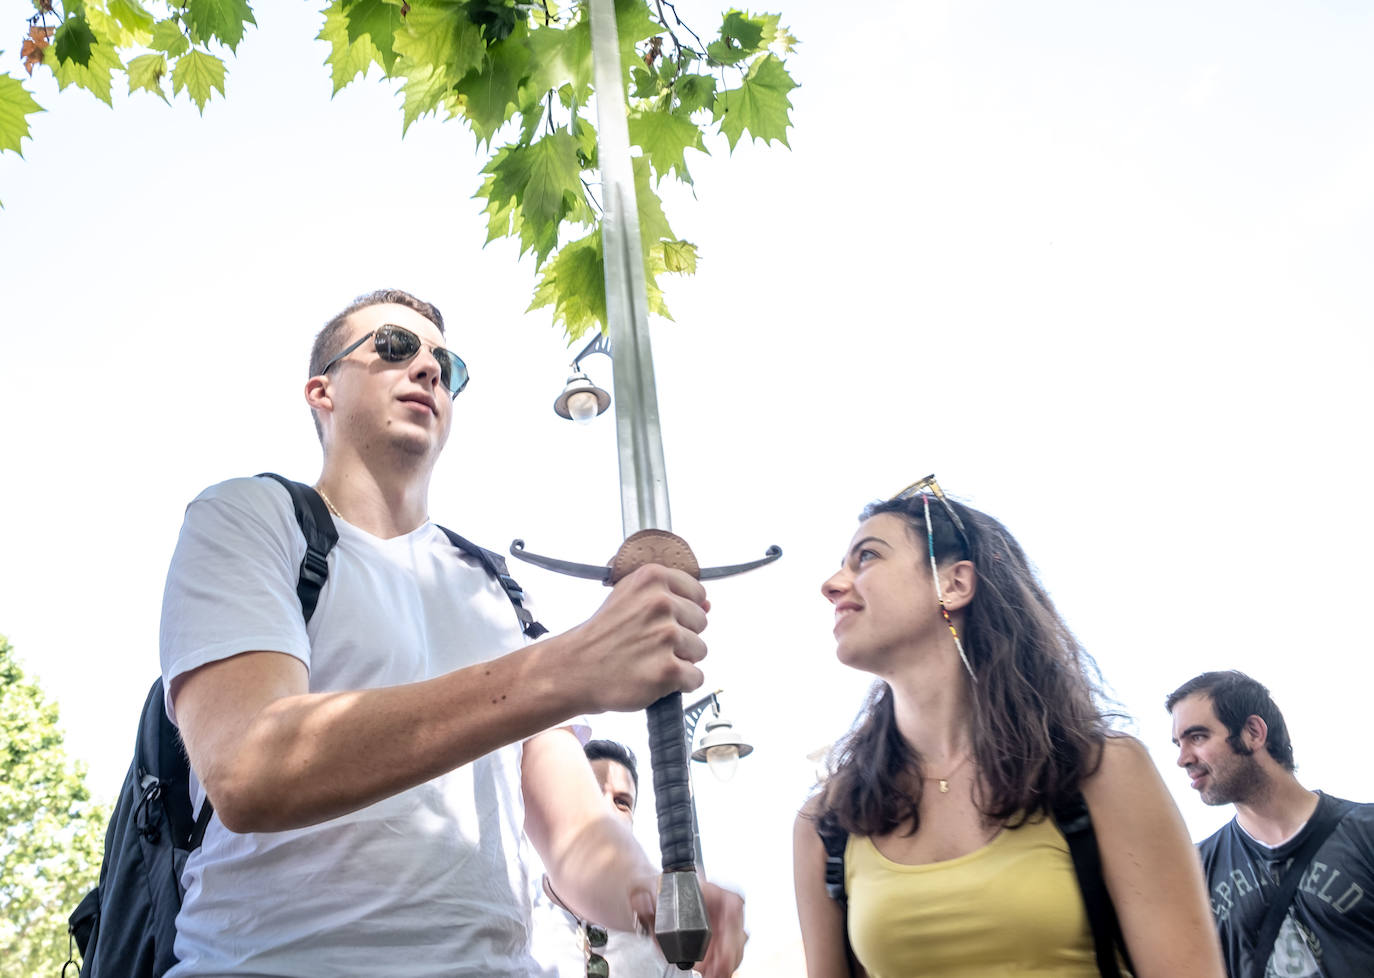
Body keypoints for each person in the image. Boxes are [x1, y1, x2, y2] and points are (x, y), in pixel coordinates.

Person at [158, 289, 745, 978]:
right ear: (323, 390)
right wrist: (563, 670)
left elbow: (576, 832)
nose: (429, 370)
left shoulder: (494, 587)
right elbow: (252, 768)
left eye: (446, 364)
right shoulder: (251, 516)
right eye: (394, 348)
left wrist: (646, 888)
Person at [792, 477, 1224, 978]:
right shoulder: (827, 825)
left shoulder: (1101, 773)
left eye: (866, 557)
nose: (833, 584)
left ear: (953, 584)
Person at [1167, 670, 1374, 977]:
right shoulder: (1197, 870)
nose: (1183, 759)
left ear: (1253, 732)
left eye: (1197, 737)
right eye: (1178, 744)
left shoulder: (1365, 832)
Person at [531, 739, 683, 978]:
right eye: (592, 795)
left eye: (622, 802)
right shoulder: (521, 917)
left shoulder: (659, 934)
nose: (607, 810)